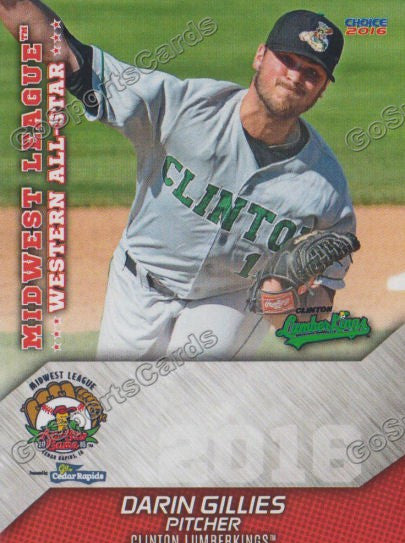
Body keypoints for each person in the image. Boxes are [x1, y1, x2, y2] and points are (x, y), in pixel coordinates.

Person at [1, 4, 355, 360]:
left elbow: (313, 320)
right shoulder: (184, 107)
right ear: (260, 56)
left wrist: (283, 301)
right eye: (288, 60)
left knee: (184, 408)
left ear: (322, 89)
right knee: (114, 403)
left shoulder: (327, 193)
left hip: (228, 302)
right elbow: (71, 58)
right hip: (137, 285)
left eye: (312, 72)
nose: (295, 77)